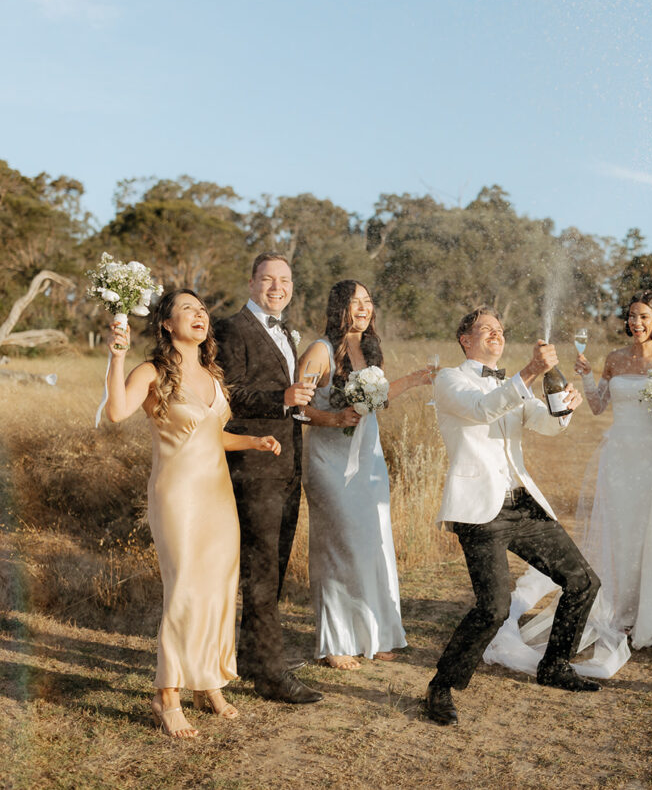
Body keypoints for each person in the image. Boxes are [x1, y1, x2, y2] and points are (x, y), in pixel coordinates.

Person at [104, 289, 282, 738]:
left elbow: (211, 434)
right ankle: (167, 695)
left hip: (217, 494)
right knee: (184, 587)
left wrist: (254, 442)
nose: (199, 314)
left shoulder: (212, 373)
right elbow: (117, 411)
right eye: (188, 309)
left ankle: (208, 681)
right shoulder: (152, 371)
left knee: (218, 586)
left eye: (202, 309)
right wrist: (117, 357)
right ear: (167, 323)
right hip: (178, 494)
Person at [482, 291, 652, 677]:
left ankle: (647, 610)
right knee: (619, 533)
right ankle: (618, 609)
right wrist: (588, 375)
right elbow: (596, 405)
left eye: (644, 316)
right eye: (632, 316)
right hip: (618, 457)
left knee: (650, 530)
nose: (636, 323)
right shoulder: (615, 358)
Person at [425, 307, 598, 726]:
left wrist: (564, 408)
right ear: (465, 339)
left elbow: (546, 425)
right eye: (486, 329)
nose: (496, 335)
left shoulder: (510, 384)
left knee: (583, 581)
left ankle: (555, 665)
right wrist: (530, 371)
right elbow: (482, 409)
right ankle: (441, 686)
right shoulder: (450, 379)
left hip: (521, 505)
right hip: (479, 511)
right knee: (494, 609)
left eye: (501, 330)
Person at [298, 280, 434, 670]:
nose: (363, 307)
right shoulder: (319, 351)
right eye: (355, 301)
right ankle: (336, 641)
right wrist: (333, 418)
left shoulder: (371, 349)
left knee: (373, 542)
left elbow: (379, 397)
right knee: (338, 546)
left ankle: (375, 634)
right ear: (338, 307)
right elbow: (297, 408)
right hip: (329, 463)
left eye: (368, 301)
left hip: (368, 459)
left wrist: (420, 377)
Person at [215, 252, 323, 704]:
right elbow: (230, 393)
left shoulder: (285, 331)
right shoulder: (230, 329)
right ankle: (272, 675)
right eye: (267, 279)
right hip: (254, 468)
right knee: (260, 568)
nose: (277, 287)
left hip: (288, 465)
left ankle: (252, 657)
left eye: (285, 280)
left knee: (274, 565)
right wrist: (283, 397)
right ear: (251, 282)